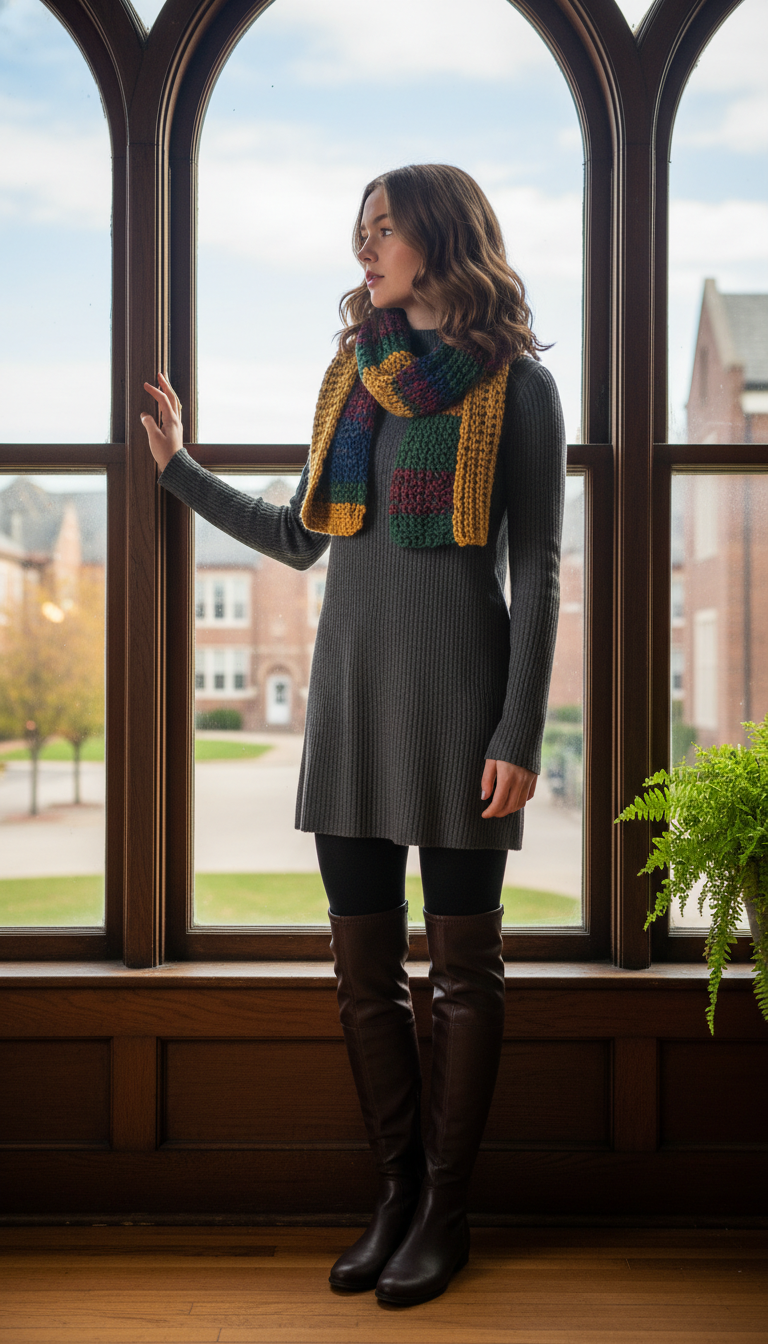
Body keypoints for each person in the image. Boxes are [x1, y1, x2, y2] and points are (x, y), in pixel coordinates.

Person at [141, 163, 566, 1307]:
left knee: (465, 975)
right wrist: (178, 469)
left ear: (438, 236)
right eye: (360, 230)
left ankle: (447, 1209)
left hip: (467, 707)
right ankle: (395, 1193)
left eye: (383, 228)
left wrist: (518, 731)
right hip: (351, 702)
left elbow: (542, 572)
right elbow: (294, 536)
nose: (365, 249)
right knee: (363, 974)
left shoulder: (519, 388)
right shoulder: (354, 379)